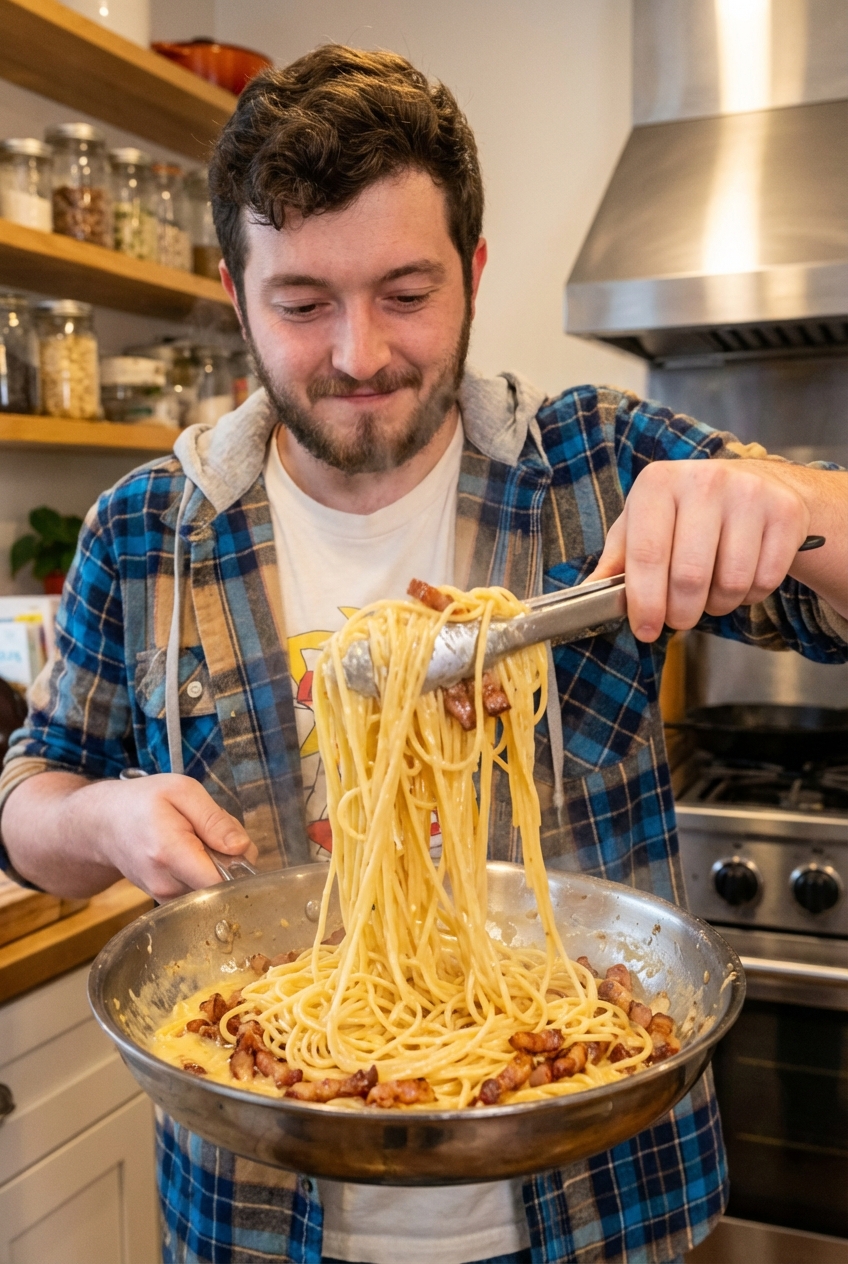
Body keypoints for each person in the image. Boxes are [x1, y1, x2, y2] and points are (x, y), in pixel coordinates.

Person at [1, 44, 845, 1264]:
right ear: (236, 296)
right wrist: (104, 821)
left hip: (603, 1208)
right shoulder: (146, 531)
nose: (357, 354)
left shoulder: (598, 465)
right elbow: (29, 796)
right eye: (300, 304)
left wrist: (785, 497)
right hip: (257, 1214)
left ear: (474, 272)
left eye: (406, 292)